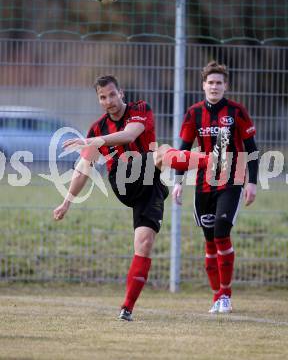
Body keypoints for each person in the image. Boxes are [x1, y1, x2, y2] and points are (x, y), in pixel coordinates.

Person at [53, 75, 204, 321]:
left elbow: (129, 135)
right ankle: (210, 162)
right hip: (124, 181)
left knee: (144, 244)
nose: (108, 101)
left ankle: (126, 308)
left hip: (150, 185)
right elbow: (83, 168)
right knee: (163, 152)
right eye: (103, 97)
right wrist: (67, 201)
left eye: (112, 94)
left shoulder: (140, 109)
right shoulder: (97, 128)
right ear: (98, 100)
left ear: (121, 93)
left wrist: (90, 140)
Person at [170, 61, 259, 313]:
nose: (215, 87)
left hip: (232, 181)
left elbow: (252, 150)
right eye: (210, 82)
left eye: (219, 82)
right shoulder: (193, 113)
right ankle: (216, 297)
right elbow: (184, 150)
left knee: (221, 231)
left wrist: (251, 182)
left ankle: (226, 295)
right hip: (203, 183)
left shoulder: (237, 111)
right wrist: (178, 182)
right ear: (203, 85)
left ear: (225, 86)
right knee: (209, 241)